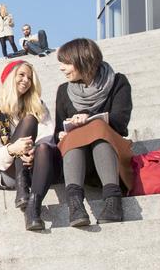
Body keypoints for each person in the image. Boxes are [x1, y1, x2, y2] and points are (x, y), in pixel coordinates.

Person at [54, 38, 133, 227]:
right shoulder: (64, 91)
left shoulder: (118, 82)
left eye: (66, 63)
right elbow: (58, 129)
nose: (61, 68)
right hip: (80, 161)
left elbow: (120, 123)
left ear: (83, 60)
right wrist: (61, 134)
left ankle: (113, 200)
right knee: (72, 136)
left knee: (97, 129)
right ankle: (74, 204)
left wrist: (88, 117)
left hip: (110, 154)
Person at [0, 60, 59, 231]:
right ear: (9, 78)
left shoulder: (38, 106)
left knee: (44, 148)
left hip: (38, 166)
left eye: (30, 78)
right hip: (9, 171)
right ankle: (21, 187)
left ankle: (32, 208)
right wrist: (12, 149)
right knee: (30, 120)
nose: (26, 80)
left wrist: (33, 152)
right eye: (21, 75)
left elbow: (48, 138)